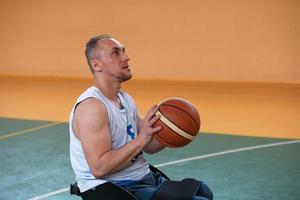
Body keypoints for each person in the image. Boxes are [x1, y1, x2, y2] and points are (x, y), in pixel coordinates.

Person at [69, 34, 213, 200]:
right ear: (96, 64)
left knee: (204, 191)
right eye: (115, 53)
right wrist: (140, 140)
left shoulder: (125, 99)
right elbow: (99, 168)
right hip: (112, 188)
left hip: (143, 178)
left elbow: (150, 146)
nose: (126, 57)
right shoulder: (92, 108)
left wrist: (173, 131)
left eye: (124, 51)